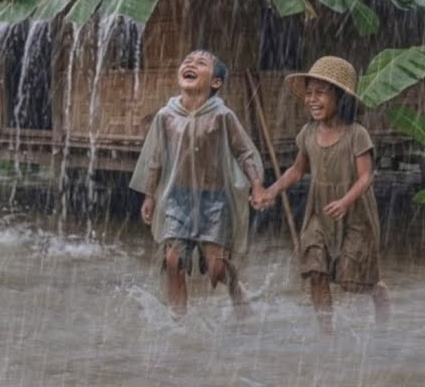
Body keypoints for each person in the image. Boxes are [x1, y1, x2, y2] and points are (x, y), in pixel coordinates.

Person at [129, 49, 268, 319]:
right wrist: (149, 195)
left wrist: (257, 185)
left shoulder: (222, 116)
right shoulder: (166, 116)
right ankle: (177, 320)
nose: (191, 64)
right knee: (173, 261)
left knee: (216, 269)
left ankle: (235, 287)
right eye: (187, 61)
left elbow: (245, 152)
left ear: (215, 82)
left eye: (201, 63)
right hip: (177, 197)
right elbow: (156, 158)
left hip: (215, 200)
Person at [260, 56, 391, 333]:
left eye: (320, 92)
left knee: (352, 282)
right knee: (316, 271)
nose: (312, 99)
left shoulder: (357, 134)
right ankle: (326, 334)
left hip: (355, 212)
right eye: (308, 93)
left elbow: (367, 176)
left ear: (340, 97)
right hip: (319, 212)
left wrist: (345, 201)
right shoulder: (308, 133)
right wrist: (271, 190)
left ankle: (378, 291)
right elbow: (296, 170)